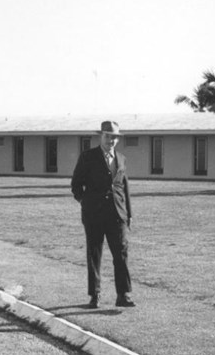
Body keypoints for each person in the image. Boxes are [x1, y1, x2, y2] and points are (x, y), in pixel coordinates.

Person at [71, 121, 135, 308]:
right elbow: (76, 185)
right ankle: (95, 296)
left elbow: (124, 188)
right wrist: (86, 203)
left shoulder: (121, 158)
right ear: (101, 136)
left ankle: (123, 295)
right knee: (94, 254)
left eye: (114, 137)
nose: (111, 140)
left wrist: (128, 213)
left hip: (117, 215)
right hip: (94, 216)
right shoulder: (88, 157)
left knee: (121, 253)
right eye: (108, 136)